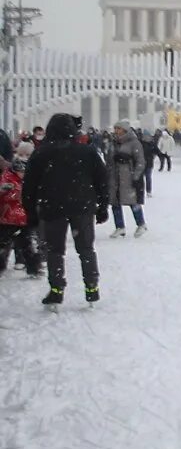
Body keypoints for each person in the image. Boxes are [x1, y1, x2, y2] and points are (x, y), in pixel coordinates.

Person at [21, 112, 109, 306]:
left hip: (52, 207)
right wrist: (103, 206)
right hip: (82, 207)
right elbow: (102, 180)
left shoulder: (42, 152)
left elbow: (29, 186)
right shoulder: (87, 151)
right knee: (86, 249)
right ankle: (91, 286)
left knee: (54, 250)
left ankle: (56, 289)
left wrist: (31, 213)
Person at [106, 122, 147, 238]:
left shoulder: (134, 143)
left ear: (125, 130)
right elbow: (109, 159)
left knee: (132, 201)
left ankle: (141, 224)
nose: (116, 131)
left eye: (118, 128)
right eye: (115, 128)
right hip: (114, 177)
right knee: (115, 202)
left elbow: (140, 161)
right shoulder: (113, 143)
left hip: (128, 177)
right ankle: (119, 226)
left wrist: (136, 176)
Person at [0, 154, 37, 276]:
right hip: (8, 218)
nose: (23, 174)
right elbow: (6, 196)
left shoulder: (25, 180)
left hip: (22, 218)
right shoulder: (7, 179)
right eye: (21, 171)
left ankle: (33, 268)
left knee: (26, 244)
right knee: (3, 244)